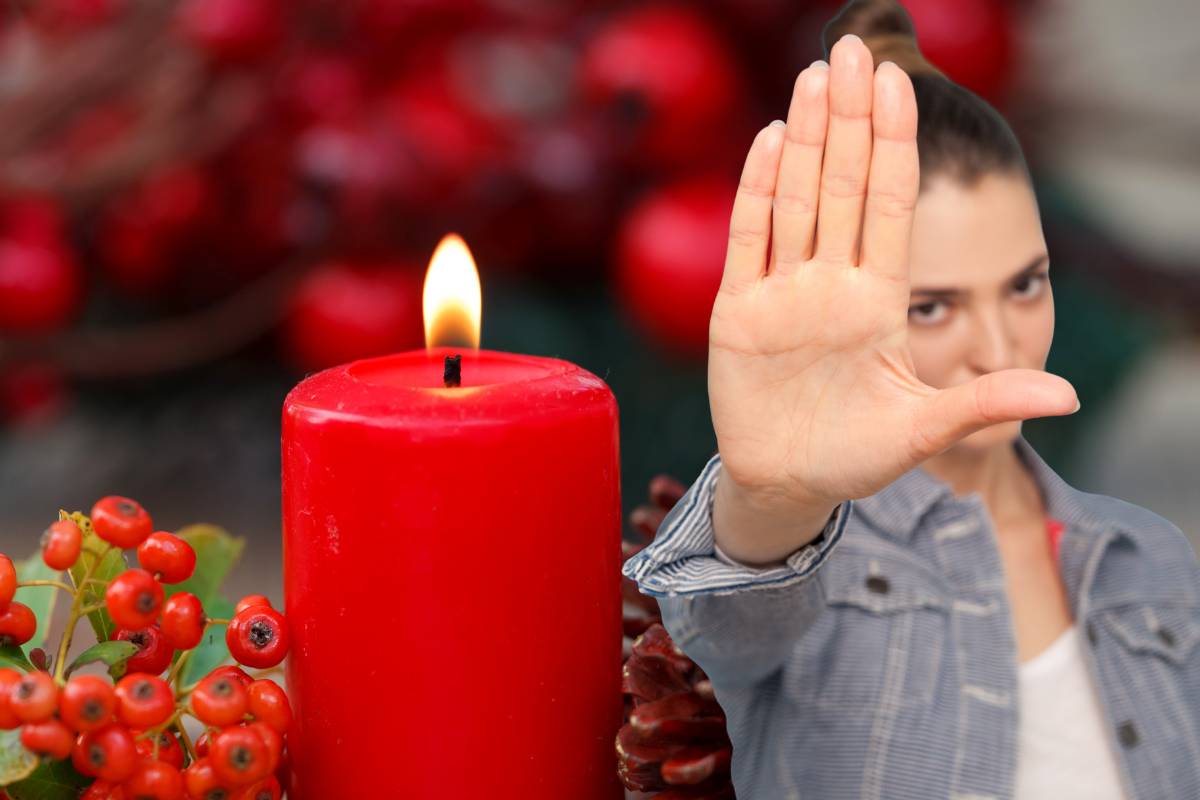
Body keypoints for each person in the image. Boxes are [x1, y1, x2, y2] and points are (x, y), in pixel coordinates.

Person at [621, 1, 1200, 798]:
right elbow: (730, 640)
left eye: (1023, 284)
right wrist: (772, 506)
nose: (992, 340)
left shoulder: (1140, 551)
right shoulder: (832, 569)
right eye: (932, 303)